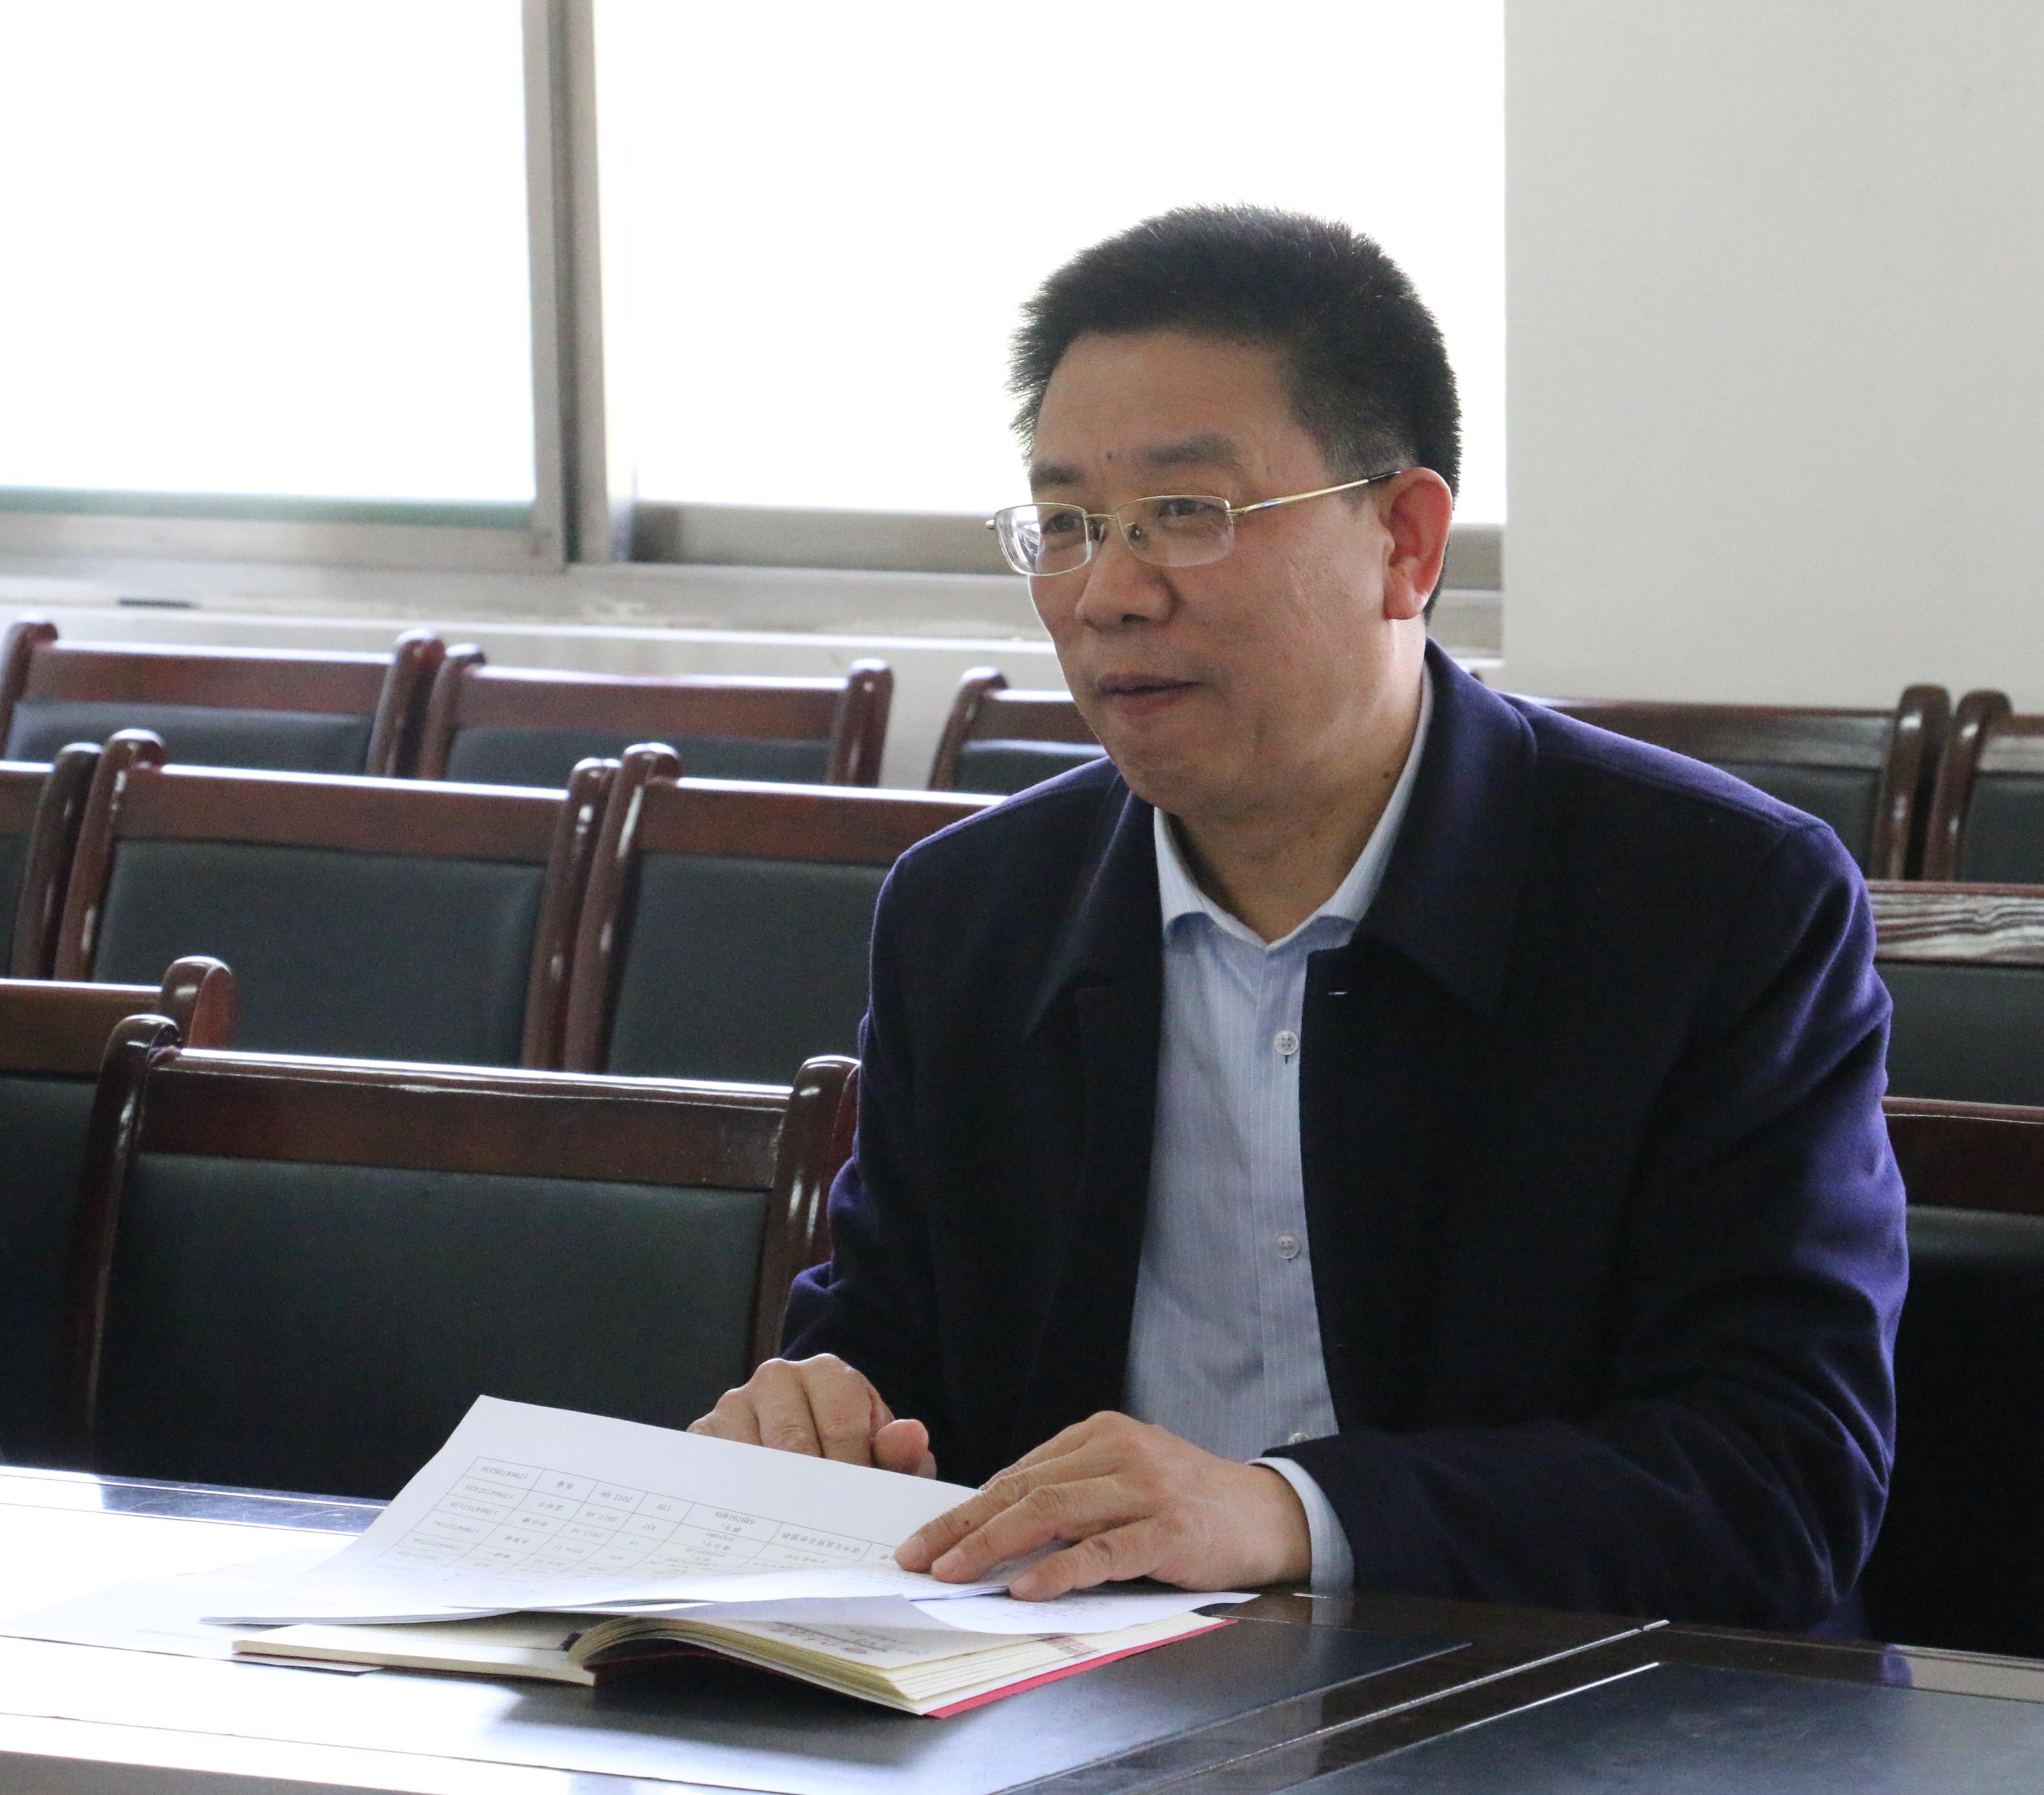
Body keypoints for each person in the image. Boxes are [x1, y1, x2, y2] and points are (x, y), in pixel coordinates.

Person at [694, 206, 1907, 1625]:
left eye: (1186, 515)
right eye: (1067, 524)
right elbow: (890, 1359)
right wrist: (817, 1425)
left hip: (1550, 1700)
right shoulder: (971, 914)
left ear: (1406, 540)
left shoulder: (1713, 902)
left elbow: (1779, 1478)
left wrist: (1286, 1513)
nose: (1108, 593)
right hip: (1069, 1695)